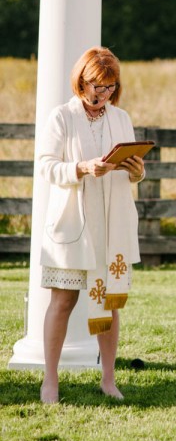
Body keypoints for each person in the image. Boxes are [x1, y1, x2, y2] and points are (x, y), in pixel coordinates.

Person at [38, 47, 146, 404]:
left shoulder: (121, 117)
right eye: (96, 86)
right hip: (74, 223)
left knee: (110, 302)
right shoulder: (61, 117)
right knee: (63, 300)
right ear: (80, 81)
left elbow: (131, 167)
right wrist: (82, 168)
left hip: (112, 222)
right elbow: (46, 166)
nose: (102, 94)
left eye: (110, 87)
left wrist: (137, 172)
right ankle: (50, 381)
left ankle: (109, 379)